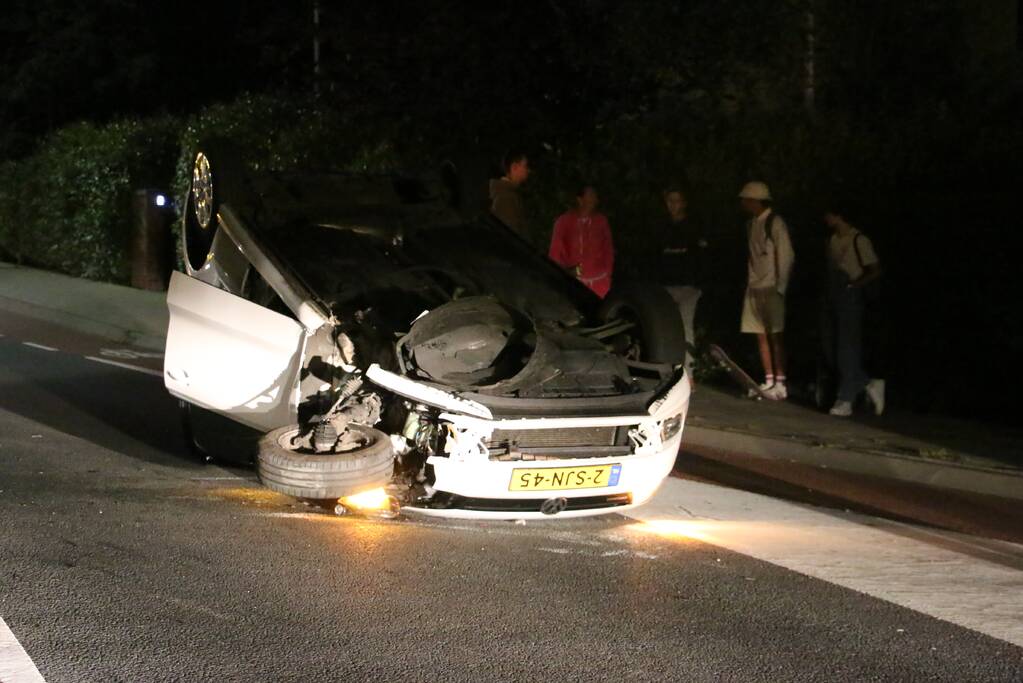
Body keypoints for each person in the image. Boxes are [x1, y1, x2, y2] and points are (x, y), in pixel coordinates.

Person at [824, 206, 885, 417]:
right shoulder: (833, 239)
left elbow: (875, 269)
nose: (826, 218)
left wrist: (854, 285)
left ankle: (846, 399)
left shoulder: (859, 239)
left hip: (851, 296)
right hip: (835, 294)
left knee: (847, 348)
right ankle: (865, 382)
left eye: (830, 214)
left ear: (839, 215)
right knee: (831, 347)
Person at [739, 181, 794, 400]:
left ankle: (780, 382)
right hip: (754, 286)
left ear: (755, 200)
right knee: (760, 334)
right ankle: (769, 379)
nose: (743, 203)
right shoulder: (751, 224)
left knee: (776, 335)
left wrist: (781, 286)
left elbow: (786, 255)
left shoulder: (775, 222)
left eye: (746, 199)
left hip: (772, 286)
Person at [654, 186, 709, 377]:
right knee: (666, 328)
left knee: (686, 328)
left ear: (684, 203)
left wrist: (698, 282)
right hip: (666, 285)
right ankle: (668, 371)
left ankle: (688, 373)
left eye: (676, 201)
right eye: (670, 201)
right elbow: (656, 255)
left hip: (687, 286)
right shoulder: (662, 226)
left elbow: (701, 256)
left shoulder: (693, 226)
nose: (673, 205)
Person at [549, 185, 614, 298]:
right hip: (575, 283)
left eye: (595, 196)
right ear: (580, 199)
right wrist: (560, 276)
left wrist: (607, 274)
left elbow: (608, 249)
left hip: (600, 283)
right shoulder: (564, 222)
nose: (594, 200)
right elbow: (555, 254)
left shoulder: (601, 221)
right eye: (590, 196)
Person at [489, 148, 531, 243]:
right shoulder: (506, 198)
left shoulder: (508, 194)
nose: (528, 170)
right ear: (514, 167)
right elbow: (512, 240)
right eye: (525, 166)